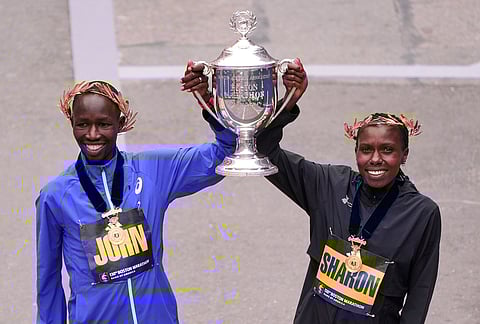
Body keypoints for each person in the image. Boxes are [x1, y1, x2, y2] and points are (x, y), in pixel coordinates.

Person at [185, 59, 441, 323]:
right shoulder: (328, 184)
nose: (375, 159)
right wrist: (289, 100)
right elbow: (264, 150)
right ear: (356, 152)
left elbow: (419, 295)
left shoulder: (422, 214)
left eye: (387, 150)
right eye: (366, 150)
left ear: (404, 154)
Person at [36, 76, 236, 323]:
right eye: (82, 124)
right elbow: (48, 280)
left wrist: (207, 101)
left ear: (120, 123)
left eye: (104, 124)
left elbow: (225, 154)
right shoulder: (55, 196)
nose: (92, 134)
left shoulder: (153, 170)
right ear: (72, 123)